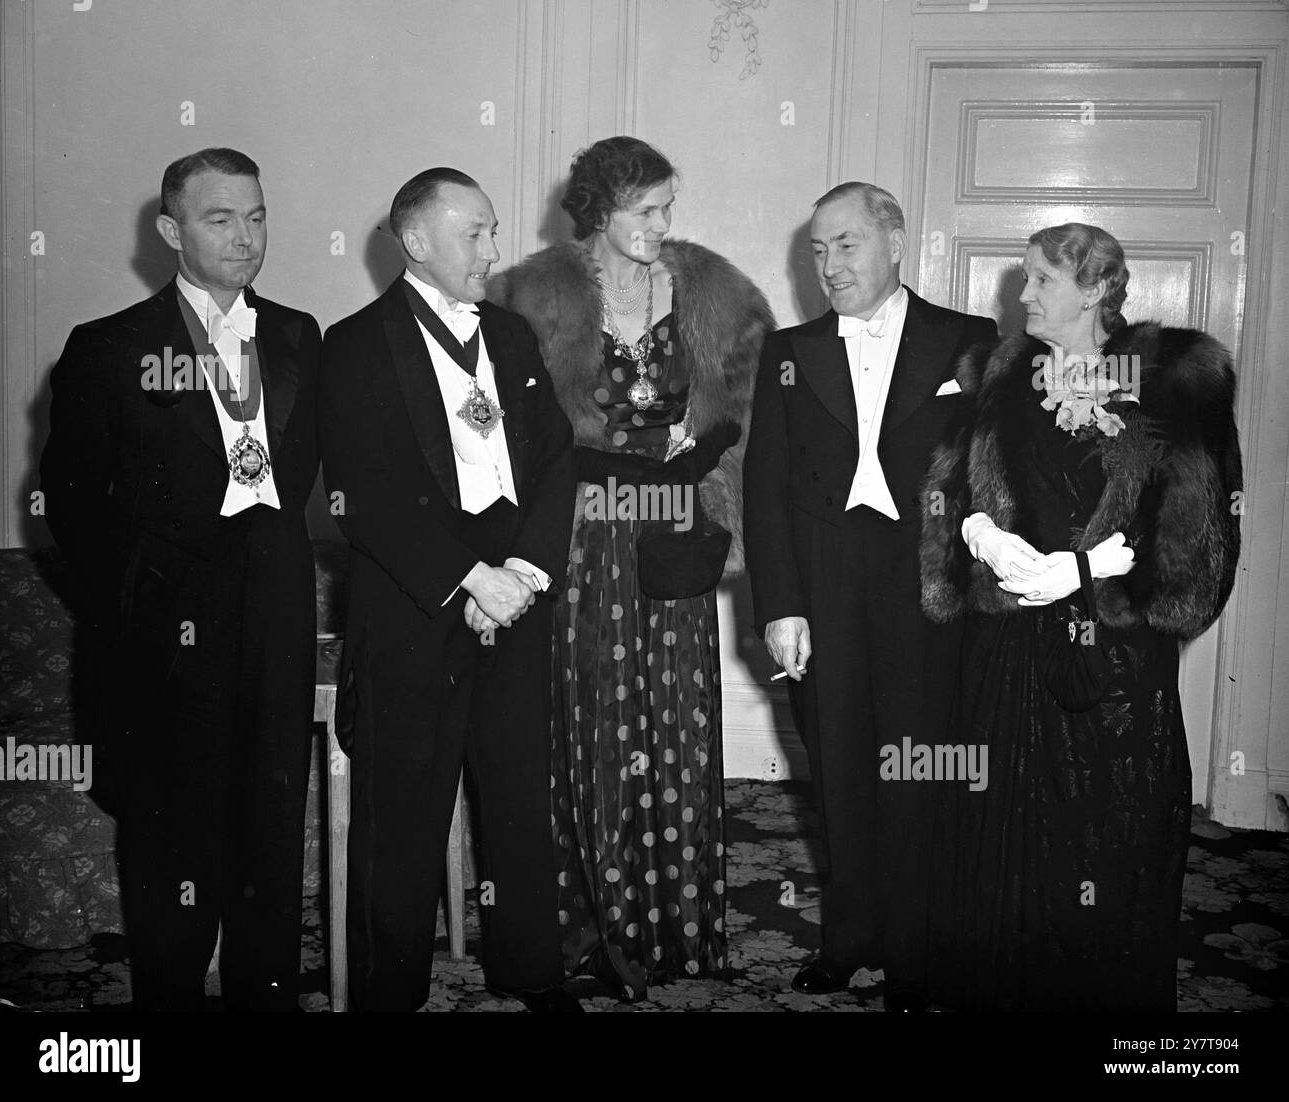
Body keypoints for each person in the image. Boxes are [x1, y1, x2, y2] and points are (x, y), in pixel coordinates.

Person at [918, 222, 1242, 1011]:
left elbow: (1198, 537)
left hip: (1117, 666)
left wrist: (1088, 570)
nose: (1021, 295)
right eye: (1024, 279)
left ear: (1096, 289)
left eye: (1040, 281)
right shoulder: (997, 374)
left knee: (1106, 834)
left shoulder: (1171, 382)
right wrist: (979, 534)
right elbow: (952, 490)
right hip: (1007, 648)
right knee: (997, 830)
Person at [488, 136, 772, 1000]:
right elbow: (508, 430)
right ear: (600, 211)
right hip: (579, 537)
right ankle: (589, 934)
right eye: (645, 209)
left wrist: (704, 448)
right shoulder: (532, 296)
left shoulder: (711, 289)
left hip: (672, 531)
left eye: (667, 208)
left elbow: (751, 406)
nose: (662, 225)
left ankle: (675, 930)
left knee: (675, 716)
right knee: (588, 720)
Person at [39, 148, 321, 1011]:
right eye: (219, 218)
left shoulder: (297, 335)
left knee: (272, 836)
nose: (246, 237)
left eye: (258, 216)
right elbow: (68, 509)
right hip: (164, 639)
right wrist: (134, 610)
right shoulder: (109, 348)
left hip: (275, 616)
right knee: (172, 849)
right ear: (171, 232)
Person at [318, 168, 579, 1012]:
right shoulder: (353, 345)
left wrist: (524, 576)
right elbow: (361, 493)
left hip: (517, 601)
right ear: (416, 240)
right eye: (475, 233)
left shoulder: (512, 333)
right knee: (401, 820)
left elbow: (555, 457)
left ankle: (533, 971)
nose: (493, 250)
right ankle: (389, 994)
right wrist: (468, 578)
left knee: (516, 797)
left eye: (493, 230)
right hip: (414, 610)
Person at [743, 182, 997, 1010]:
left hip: (925, 578)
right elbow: (765, 487)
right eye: (817, 250)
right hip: (822, 579)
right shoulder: (788, 350)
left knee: (919, 766)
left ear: (895, 241)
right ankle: (849, 940)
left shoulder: (972, 341)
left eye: (845, 245)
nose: (828, 266)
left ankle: (918, 956)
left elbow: (993, 478)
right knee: (839, 759)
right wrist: (780, 604)